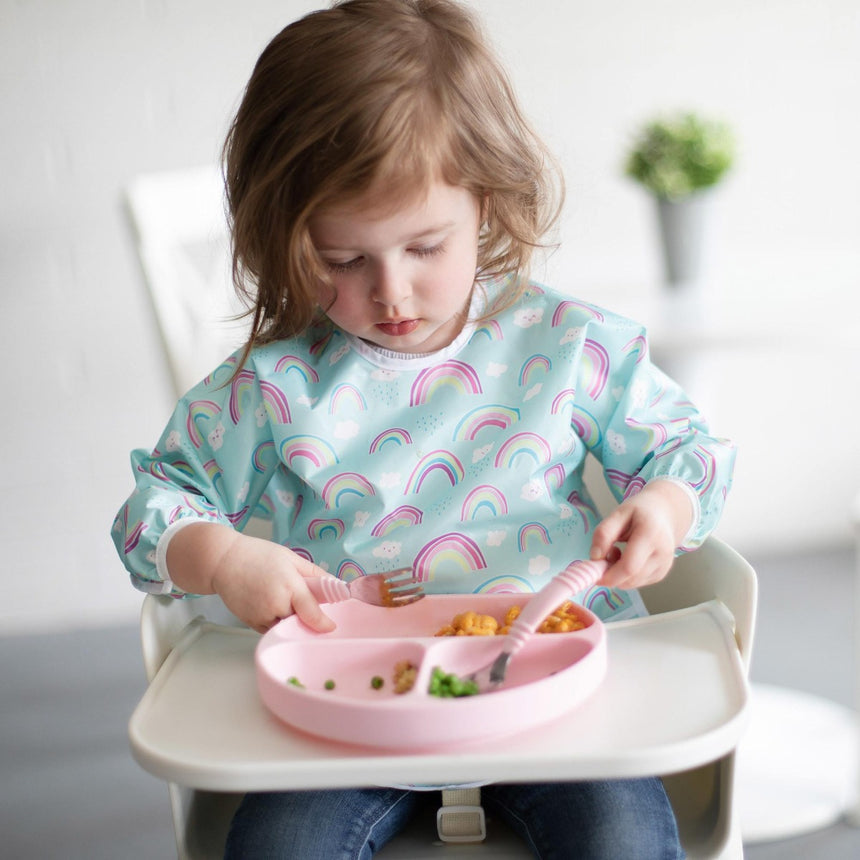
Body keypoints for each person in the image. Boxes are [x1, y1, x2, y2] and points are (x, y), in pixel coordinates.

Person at [112, 1, 735, 856]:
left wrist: (663, 506)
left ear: (489, 201)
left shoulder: (567, 345)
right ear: (286, 241)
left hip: (552, 683)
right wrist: (221, 557)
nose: (391, 293)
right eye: (343, 260)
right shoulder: (273, 386)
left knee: (623, 842)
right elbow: (154, 506)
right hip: (344, 701)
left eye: (425, 246)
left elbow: (689, 450)